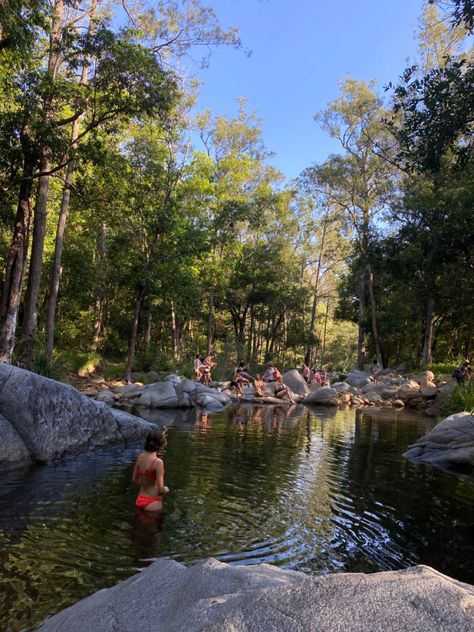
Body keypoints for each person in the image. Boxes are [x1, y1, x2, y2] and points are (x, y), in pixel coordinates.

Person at [132, 430, 169, 512]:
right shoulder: (158, 462)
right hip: (152, 502)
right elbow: (160, 490)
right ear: (161, 444)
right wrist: (165, 489)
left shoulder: (140, 457)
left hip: (139, 499)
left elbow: (134, 480)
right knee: (155, 524)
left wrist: (146, 485)